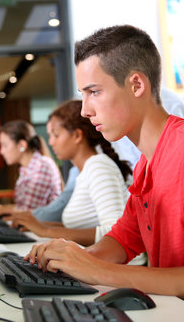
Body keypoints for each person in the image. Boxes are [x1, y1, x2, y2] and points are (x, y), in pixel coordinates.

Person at [25, 25, 184, 312]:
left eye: (94, 92)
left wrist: (96, 271)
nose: (85, 111)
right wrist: (72, 259)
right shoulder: (146, 163)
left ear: (137, 85)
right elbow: (124, 239)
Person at [10, 100, 143, 258]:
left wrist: (46, 231)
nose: (50, 142)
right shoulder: (85, 171)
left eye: (56, 135)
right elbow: (82, 227)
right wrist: (37, 225)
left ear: (77, 135)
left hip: (112, 272)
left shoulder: (98, 166)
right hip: (94, 264)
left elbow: (116, 232)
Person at [0, 119, 62, 216]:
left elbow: (30, 211)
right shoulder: (26, 169)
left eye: (5, 145)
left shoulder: (42, 166)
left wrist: (1, 209)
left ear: (21, 145)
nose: (1, 151)